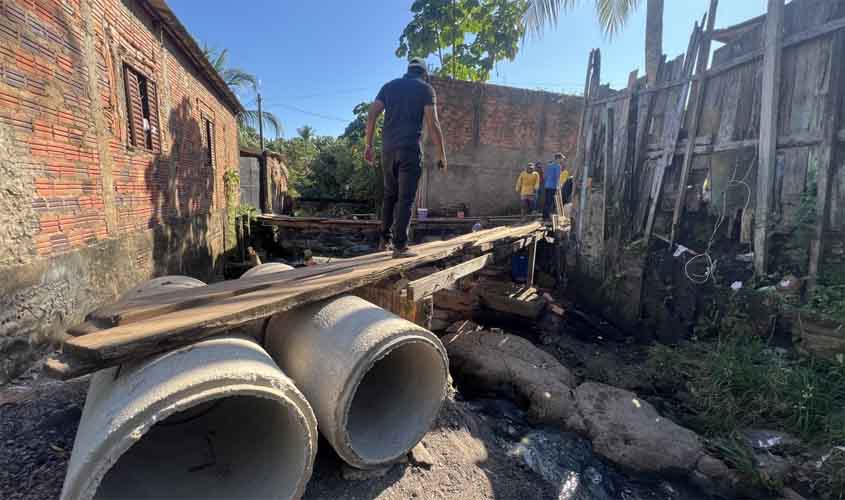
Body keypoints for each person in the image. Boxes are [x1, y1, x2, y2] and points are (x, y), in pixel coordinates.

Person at [365, 57, 447, 258]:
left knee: (390, 195)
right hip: (409, 149)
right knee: (406, 198)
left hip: (387, 150)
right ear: (424, 73)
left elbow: (372, 113)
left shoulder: (389, 86)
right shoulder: (426, 89)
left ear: (408, 70)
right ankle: (400, 246)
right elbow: (433, 123)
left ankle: (384, 240)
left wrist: (368, 145)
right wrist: (442, 155)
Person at [542, 153, 564, 220]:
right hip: (553, 186)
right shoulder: (558, 166)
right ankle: (548, 216)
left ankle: (544, 215)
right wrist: (558, 186)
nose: (562, 160)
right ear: (558, 159)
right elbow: (557, 177)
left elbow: (545, 176)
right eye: (561, 159)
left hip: (547, 185)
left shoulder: (549, 165)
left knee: (546, 201)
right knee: (550, 201)